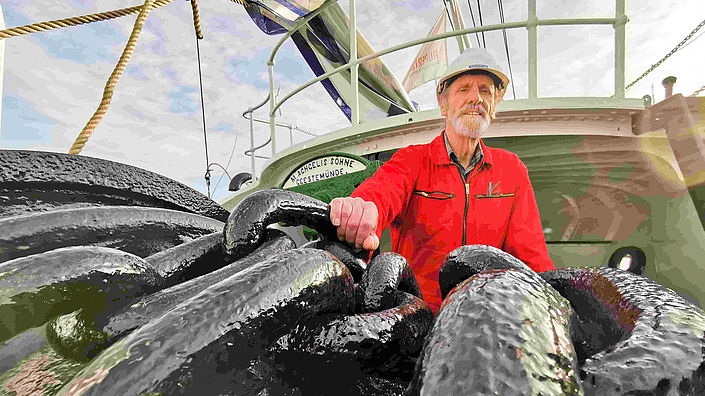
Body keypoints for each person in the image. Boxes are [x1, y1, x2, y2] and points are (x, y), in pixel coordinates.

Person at [329, 48, 554, 313]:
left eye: (485, 90)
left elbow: (531, 258)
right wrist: (363, 209)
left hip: (489, 318)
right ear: (443, 103)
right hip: (420, 317)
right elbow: (381, 193)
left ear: (495, 106)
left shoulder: (512, 170)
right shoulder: (413, 160)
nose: (475, 99)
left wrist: (550, 308)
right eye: (463, 90)